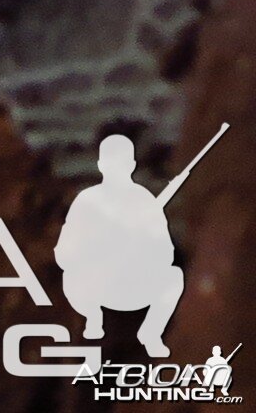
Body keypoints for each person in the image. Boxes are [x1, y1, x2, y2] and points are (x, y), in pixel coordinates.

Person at [60, 131, 191, 358]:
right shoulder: (87, 201)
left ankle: (151, 334)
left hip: (140, 288)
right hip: (100, 293)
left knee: (174, 278)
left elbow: (168, 253)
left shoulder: (144, 200)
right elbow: (67, 252)